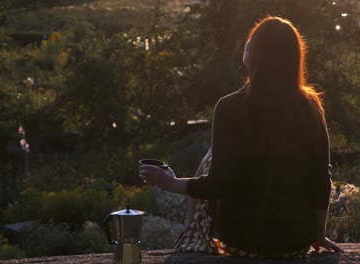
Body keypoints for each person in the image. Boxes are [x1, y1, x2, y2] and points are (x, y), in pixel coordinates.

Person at [140, 16, 343, 258]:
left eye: (251, 39)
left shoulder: (230, 108)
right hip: (295, 242)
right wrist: (318, 236)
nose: (246, 42)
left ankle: (190, 240)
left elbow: (219, 184)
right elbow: (321, 179)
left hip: (240, 241)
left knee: (210, 158)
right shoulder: (310, 107)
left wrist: (171, 183)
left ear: (255, 54)